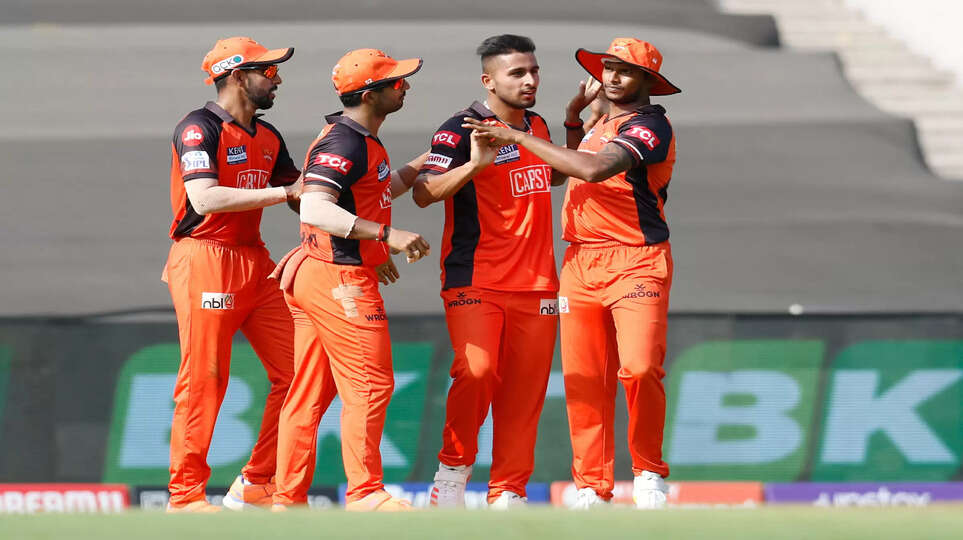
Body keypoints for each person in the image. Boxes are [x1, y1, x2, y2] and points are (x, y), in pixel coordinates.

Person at [464, 37, 680, 510]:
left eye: (625, 70)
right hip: (579, 262)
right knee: (584, 380)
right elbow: (567, 169)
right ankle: (591, 487)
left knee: (640, 368)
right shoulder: (598, 119)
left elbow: (596, 169)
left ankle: (648, 474)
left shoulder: (651, 125)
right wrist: (571, 120)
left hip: (636, 259)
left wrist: (520, 137)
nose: (612, 77)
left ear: (648, 80)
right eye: (608, 68)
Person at [269, 48, 430, 512]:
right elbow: (315, 207)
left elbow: (376, 190)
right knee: (370, 384)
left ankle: (287, 500)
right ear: (369, 94)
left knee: (308, 394)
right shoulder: (345, 142)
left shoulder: (359, 139)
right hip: (337, 278)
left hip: (320, 271)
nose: (405, 86)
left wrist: (430, 157)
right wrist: (385, 235)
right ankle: (364, 494)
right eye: (395, 81)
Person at [411, 34, 563, 510]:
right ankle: (451, 477)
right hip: (476, 278)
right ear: (489, 80)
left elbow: (556, 173)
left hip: (538, 283)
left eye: (533, 70)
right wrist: (476, 166)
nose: (529, 80)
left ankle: (509, 492)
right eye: (517, 73)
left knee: (524, 394)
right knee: (476, 372)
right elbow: (423, 192)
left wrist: (579, 122)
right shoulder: (461, 129)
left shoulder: (536, 124)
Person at [163, 36, 303, 513]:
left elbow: (304, 193)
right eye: (269, 71)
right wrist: (285, 194)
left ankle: (257, 482)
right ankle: (185, 497)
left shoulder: (269, 136)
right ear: (238, 76)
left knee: (302, 371)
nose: (277, 79)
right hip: (204, 258)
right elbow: (204, 198)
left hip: (254, 261)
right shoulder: (198, 128)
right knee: (205, 379)